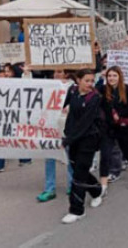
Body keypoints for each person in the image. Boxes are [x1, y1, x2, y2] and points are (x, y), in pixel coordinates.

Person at [94, 67, 128, 206]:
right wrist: (101, 79)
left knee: (127, 153)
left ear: (119, 77)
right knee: (105, 155)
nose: (111, 78)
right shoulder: (104, 89)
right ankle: (103, 186)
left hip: (123, 128)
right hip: (108, 128)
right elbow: (95, 92)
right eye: (109, 76)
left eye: (114, 76)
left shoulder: (126, 89)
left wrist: (121, 114)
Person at [61, 69, 105, 224]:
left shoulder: (95, 98)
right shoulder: (72, 91)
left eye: (92, 81)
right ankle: (96, 191)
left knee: (79, 174)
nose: (90, 84)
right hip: (73, 138)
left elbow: (84, 123)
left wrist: (68, 140)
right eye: (87, 80)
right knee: (78, 168)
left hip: (88, 139)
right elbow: (60, 104)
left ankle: (76, 210)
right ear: (78, 80)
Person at [39, 69, 75, 202]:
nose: (56, 74)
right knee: (49, 158)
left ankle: (72, 185)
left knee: (69, 156)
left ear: (67, 73)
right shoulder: (48, 86)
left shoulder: (73, 87)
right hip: (50, 127)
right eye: (55, 72)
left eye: (59, 71)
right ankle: (50, 188)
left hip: (66, 126)